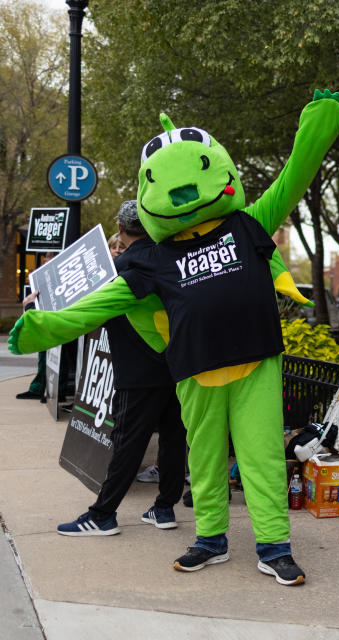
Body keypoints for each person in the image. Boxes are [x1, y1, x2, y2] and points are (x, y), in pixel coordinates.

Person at [56, 201, 187, 537]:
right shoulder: (170, 257)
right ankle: (163, 508)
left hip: (139, 371)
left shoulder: (121, 267)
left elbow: (85, 308)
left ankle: (103, 515)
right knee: (175, 437)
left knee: (127, 440)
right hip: (177, 365)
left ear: (119, 227)